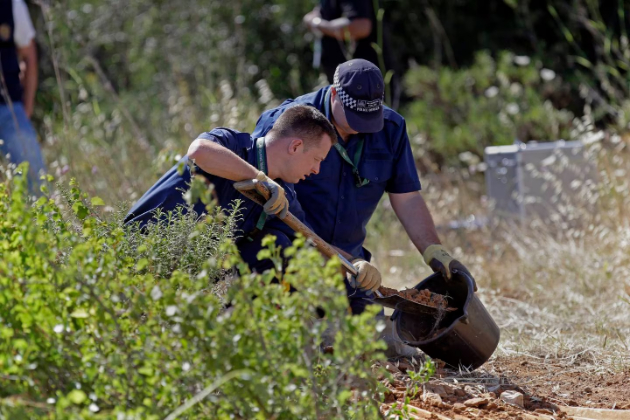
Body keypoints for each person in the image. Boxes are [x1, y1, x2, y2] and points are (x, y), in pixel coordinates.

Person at [252, 59, 476, 317]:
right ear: (334, 94)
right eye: (355, 117)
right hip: (293, 255)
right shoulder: (290, 123)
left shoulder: (391, 128)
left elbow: (407, 198)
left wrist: (434, 251)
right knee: (317, 342)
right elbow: (261, 199)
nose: (362, 127)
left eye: (370, 118)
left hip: (353, 268)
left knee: (377, 344)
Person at [124, 105, 381, 292]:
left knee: (278, 246)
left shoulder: (284, 195)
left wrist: (354, 264)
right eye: (317, 160)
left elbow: (311, 242)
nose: (316, 170)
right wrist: (260, 180)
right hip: (137, 254)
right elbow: (199, 151)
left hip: (184, 278)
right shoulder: (233, 144)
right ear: (295, 147)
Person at [303, 0, 399, 108]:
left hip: (364, 84)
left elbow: (361, 26)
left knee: (372, 123)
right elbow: (320, 12)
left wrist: (317, 24)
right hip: (344, 84)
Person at [0, 0, 45, 189]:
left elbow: (29, 54)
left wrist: (26, 107)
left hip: (8, 109)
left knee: (37, 184)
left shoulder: (11, 5)